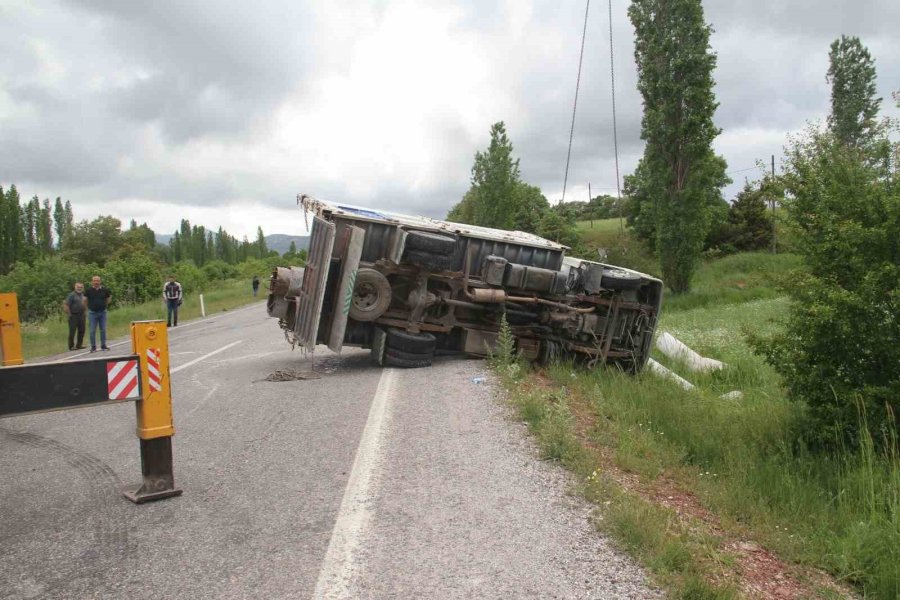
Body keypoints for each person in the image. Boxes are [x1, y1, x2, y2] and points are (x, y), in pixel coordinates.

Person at [85, 275, 111, 352]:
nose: (96, 282)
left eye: (97, 280)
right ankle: (93, 347)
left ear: (100, 281)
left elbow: (108, 298)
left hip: (102, 312)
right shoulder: (88, 290)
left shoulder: (104, 290)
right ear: (92, 281)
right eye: (94, 280)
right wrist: (87, 309)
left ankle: (103, 345)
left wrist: (104, 306)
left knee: (103, 329)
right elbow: (85, 300)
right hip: (92, 313)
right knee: (92, 330)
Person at [63, 282, 87, 351]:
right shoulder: (72, 295)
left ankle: (79, 345)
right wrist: (69, 314)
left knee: (82, 330)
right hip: (73, 315)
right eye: (78, 287)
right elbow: (66, 305)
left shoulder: (83, 295)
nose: (79, 288)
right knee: (72, 331)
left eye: (81, 287)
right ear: (75, 287)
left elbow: (85, 304)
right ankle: (71, 346)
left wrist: (85, 312)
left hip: (82, 315)